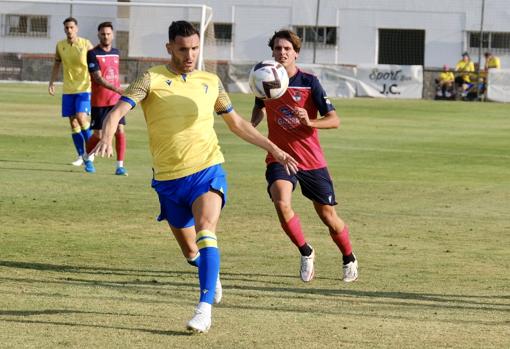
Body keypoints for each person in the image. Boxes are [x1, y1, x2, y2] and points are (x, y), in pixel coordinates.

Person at [92, 21, 298, 333]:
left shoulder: (211, 82)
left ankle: (203, 309)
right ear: (169, 48)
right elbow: (117, 111)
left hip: (207, 170)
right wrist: (107, 134)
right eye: (183, 49)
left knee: (206, 230)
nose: (190, 55)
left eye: (194, 48)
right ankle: (210, 275)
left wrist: (275, 149)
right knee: (191, 252)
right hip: (169, 179)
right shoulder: (151, 79)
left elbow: (237, 123)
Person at [251, 29, 358, 284]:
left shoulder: (309, 82)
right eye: (278, 49)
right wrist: (249, 125)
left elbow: (335, 120)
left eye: (287, 49)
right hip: (279, 157)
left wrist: (309, 121)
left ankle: (348, 256)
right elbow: (258, 110)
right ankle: (306, 251)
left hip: (311, 160)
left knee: (328, 216)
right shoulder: (265, 78)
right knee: (281, 202)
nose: (282, 53)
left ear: (296, 53)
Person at [48, 17, 95, 172]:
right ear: (64, 29)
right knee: (73, 123)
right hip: (68, 90)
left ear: (77, 28)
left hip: (84, 88)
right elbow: (56, 64)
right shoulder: (60, 46)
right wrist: (52, 82)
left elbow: (95, 64)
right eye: (67, 28)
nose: (69, 30)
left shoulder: (86, 44)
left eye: (72, 27)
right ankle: (81, 155)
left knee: (81, 117)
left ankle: (91, 150)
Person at [85, 22, 127, 175]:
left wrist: (118, 91)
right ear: (98, 35)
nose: (106, 36)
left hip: (116, 100)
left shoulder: (116, 52)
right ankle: (87, 158)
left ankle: (120, 166)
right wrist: (116, 88)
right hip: (99, 101)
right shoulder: (92, 53)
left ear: (112, 35)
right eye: (103, 34)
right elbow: (97, 78)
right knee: (99, 135)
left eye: (108, 34)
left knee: (120, 130)